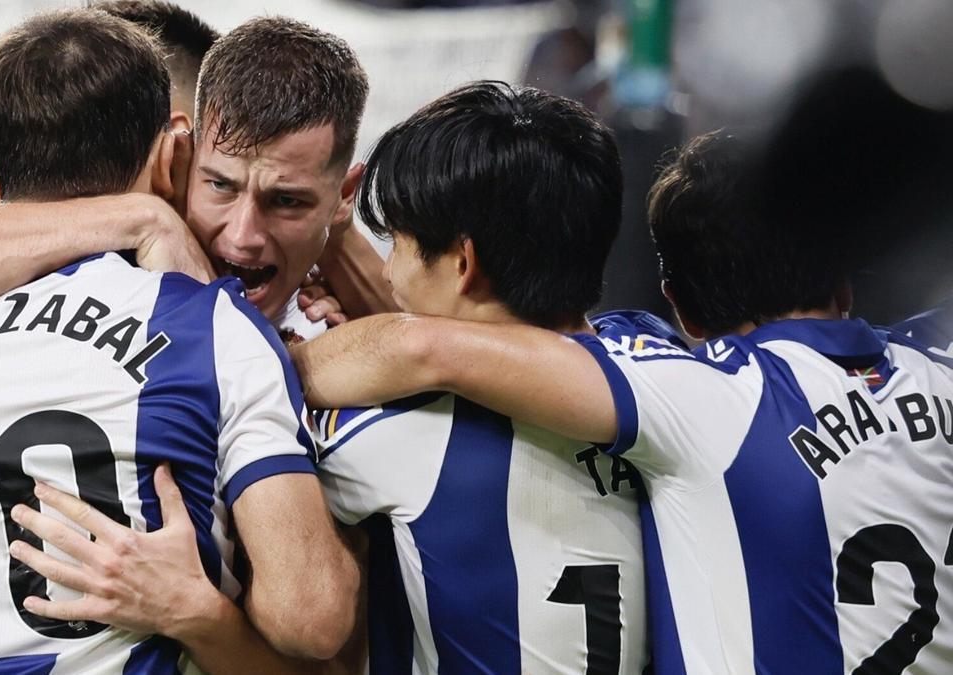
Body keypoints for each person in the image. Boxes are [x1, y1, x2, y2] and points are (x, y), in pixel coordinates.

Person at [2, 81, 651, 674]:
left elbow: (309, 635)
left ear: (461, 262)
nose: (389, 268)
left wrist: (238, 354)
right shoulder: (666, 369)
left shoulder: (383, 438)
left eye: (395, 242)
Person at [0, 10, 356, 673]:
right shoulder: (211, 331)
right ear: (170, 157)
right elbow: (313, 620)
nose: (240, 235)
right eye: (218, 183)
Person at [290, 131, 953, 674]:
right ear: (844, 271)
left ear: (682, 305)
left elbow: (431, 350)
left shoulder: (700, 396)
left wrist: (258, 361)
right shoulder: (938, 364)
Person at [0, 13, 394, 337]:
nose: (244, 234)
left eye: (288, 203)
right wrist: (143, 216)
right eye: (219, 185)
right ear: (179, 155)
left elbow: (440, 345)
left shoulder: (324, 301)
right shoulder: (18, 249)